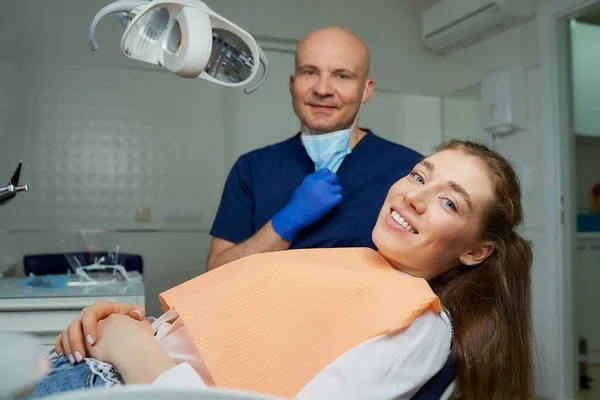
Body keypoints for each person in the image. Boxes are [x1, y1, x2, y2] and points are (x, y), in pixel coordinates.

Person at [23, 140, 534, 400]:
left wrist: (126, 346)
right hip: (92, 362)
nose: (413, 196)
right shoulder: (361, 265)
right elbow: (244, 342)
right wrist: (132, 323)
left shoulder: (418, 322)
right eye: (419, 174)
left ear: (477, 251)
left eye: (448, 202)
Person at [207, 26, 423, 271]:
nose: (322, 89)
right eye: (309, 72)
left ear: (366, 90)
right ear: (292, 84)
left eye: (342, 76)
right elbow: (216, 273)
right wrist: (284, 223)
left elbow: (428, 271)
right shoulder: (252, 169)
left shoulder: (409, 172)